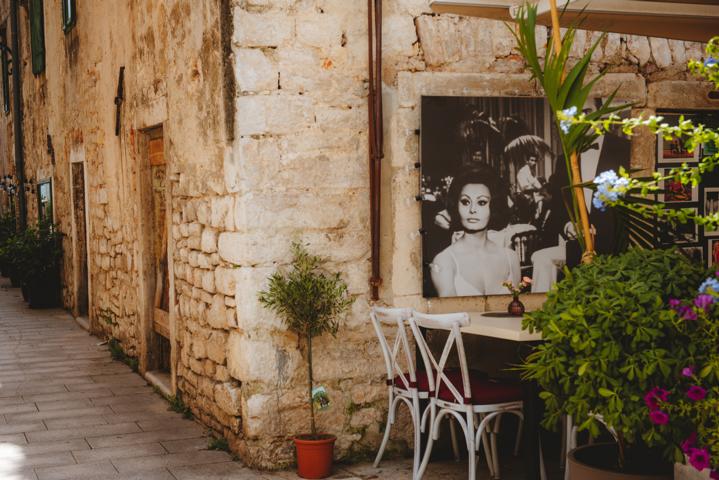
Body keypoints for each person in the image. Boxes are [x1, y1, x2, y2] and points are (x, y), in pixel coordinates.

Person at [431, 165, 521, 297]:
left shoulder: (511, 259)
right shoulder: (444, 261)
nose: (472, 209)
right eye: (465, 202)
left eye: (482, 202)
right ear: (457, 206)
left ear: (494, 206)